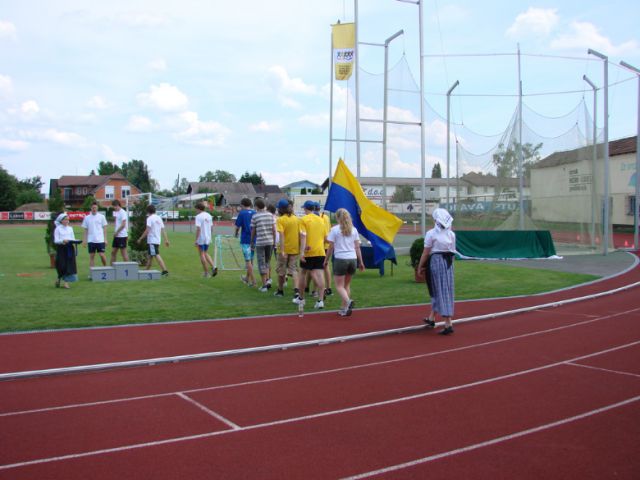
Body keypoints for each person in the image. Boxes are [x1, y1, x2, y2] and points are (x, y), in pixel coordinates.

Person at [417, 208, 456, 335]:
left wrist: (420, 266)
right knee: (440, 289)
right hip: (448, 263)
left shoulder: (431, 234)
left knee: (440, 290)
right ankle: (432, 318)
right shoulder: (451, 234)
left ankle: (448, 323)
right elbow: (453, 252)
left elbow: (426, 252)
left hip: (436, 262)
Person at [325, 208, 364, 316]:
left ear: (337, 217)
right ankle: (344, 308)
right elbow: (357, 247)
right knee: (346, 285)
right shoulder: (354, 230)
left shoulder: (335, 230)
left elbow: (330, 247)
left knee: (339, 286)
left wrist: (326, 260)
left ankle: (348, 301)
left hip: (341, 259)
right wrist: (361, 262)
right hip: (352, 259)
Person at [294, 200, 327, 310]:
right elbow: (325, 237)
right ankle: (320, 300)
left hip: (309, 251)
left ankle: (301, 298)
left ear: (305, 209)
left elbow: (303, 236)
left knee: (303, 273)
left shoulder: (303, 219)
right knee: (319, 274)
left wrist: (302, 252)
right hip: (320, 251)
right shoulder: (321, 220)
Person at [274, 198, 300, 299]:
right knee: (294, 270)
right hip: (294, 249)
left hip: (284, 249)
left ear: (280, 209)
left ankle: (280, 291)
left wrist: (283, 250)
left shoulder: (280, 220)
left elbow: (281, 235)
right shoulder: (296, 219)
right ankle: (297, 291)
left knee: (281, 271)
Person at [250, 198, 276, 292]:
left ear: (256, 206)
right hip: (270, 242)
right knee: (267, 261)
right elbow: (274, 229)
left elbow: (253, 230)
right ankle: (268, 280)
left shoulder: (255, 216)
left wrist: (251, 241)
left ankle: (264, 285)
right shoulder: (270, 215)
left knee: (261, 263)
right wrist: (274, 240)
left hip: (260, 242)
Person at [137, 204, 170, 276]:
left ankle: (165, 271)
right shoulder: (159, 218)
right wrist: (166, 240)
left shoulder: (149, 218)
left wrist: (140, 238)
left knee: (156, 254)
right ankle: (146, 270)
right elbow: (163, 230)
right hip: (157, 240)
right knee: (150, 255)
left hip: (152, 240)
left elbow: (147, 230)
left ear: (148, 211)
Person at [53, 213, 80, 289]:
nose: (67, 221)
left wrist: (76, 242)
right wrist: (62, 241)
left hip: (69, 249)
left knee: (69, 265)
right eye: (65, 219)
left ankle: (66, 283)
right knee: (61, 265)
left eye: (68, 219)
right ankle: (58, 278)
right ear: (61, 221)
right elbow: (56, 240)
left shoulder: (70, 228)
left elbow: (73, 238)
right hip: (61, 248)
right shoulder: (57, 229)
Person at [234, 197, 256, 287]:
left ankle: (253, 281)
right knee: (251, 259)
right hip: (254, 239)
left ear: (242, 205)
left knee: (248, 261)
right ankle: (247, 278)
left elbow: (237, 226)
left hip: (246, 239)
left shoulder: (242, 213)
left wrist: (235, 234)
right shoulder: (255, 212)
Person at [81, 201, 108, 271]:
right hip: (91, 240)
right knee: (92, 256)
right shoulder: (87, 218)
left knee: (102, 255)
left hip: (100, 240)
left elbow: (105, 228)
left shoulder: (102, 217)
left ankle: (106, 268)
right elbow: (86, 230)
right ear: (91, 208)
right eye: (93, 208)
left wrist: (105, 239)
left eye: (95, 207)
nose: (94, 209)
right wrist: (84, 240)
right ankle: (92, 273)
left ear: (97, 208)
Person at [194, 202, 216, 277]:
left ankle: (206, 273)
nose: (195, 211)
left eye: (196, 209)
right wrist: (209, 235)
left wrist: (196, 240)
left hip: (201, 238)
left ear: (198, 209)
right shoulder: (209, 215)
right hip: (207, 237)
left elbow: (198, 229)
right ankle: (213, 267)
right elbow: (211, 227)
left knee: (202, 254)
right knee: (205, 253)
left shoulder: (198, 216)